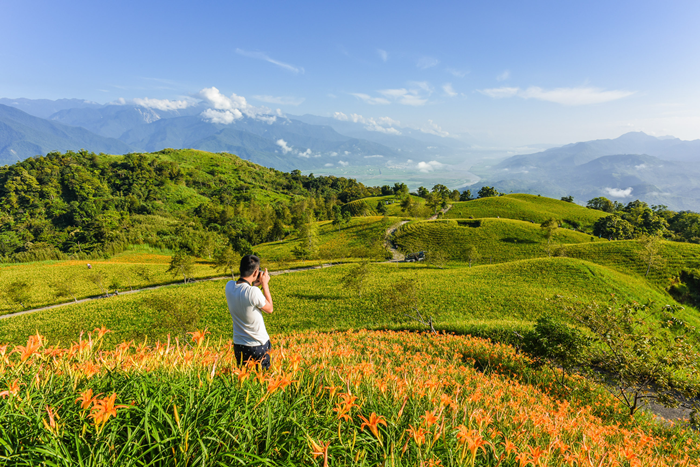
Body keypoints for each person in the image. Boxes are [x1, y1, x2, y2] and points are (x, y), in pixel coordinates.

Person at [225, 254, 274, 370]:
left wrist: (255, 284)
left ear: (240, 269)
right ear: (256, 272)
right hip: (258, 345)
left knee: (245, 379)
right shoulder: (254, 292)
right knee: (262, 380)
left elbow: (244, 291)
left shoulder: (229, 286)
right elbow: (270, 309)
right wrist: (265, 284)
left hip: (239, 345)